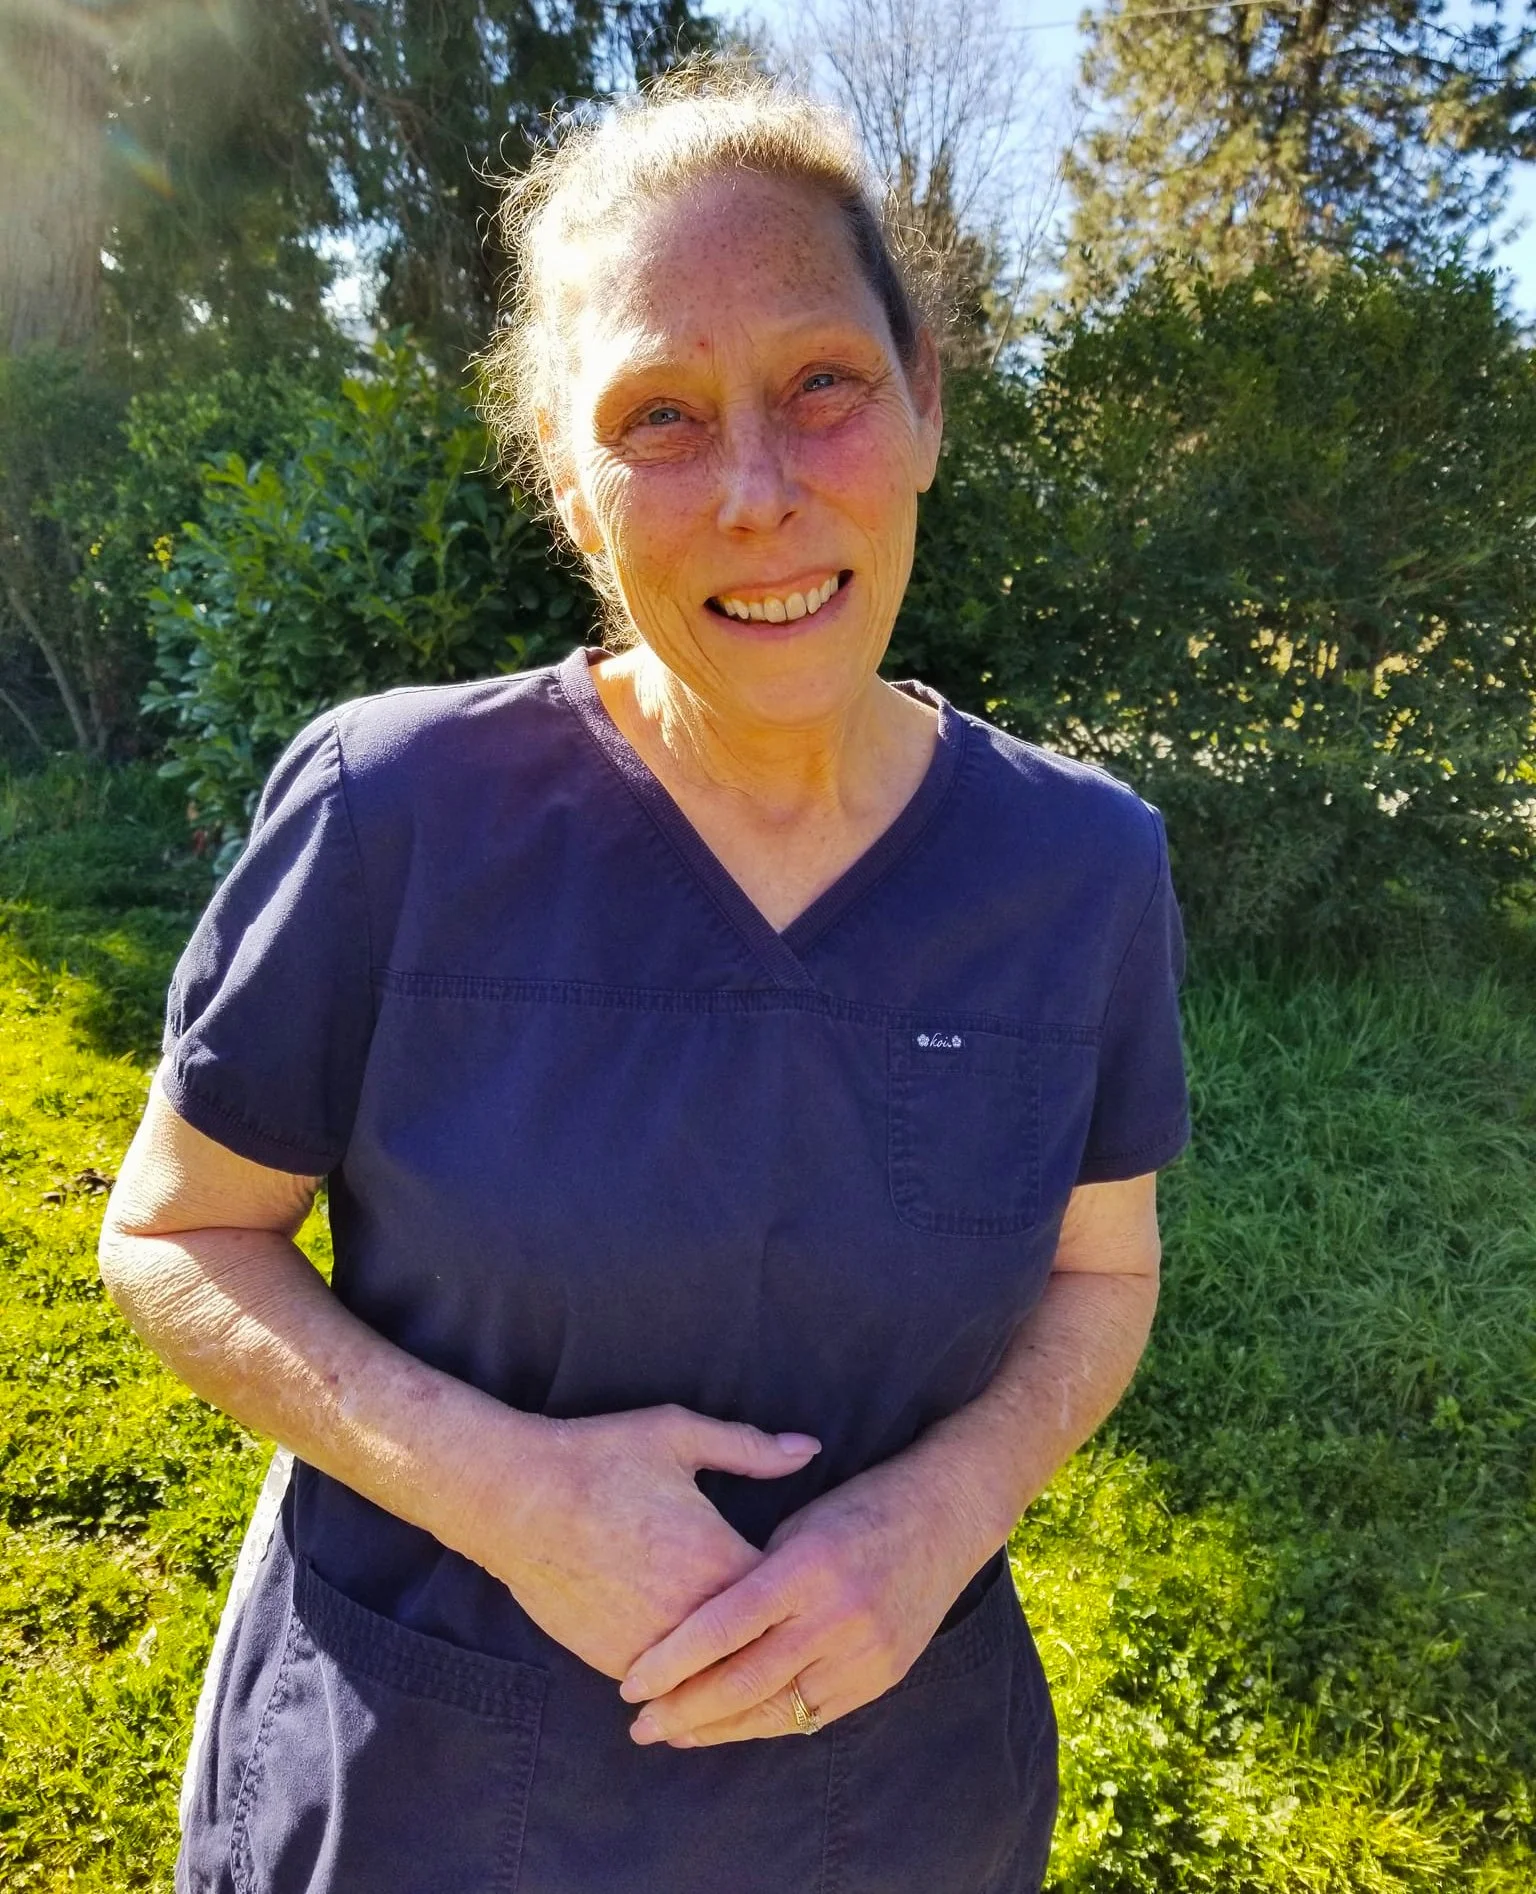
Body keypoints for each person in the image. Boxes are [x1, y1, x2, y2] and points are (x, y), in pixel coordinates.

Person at [99, 60, 1190, 1894]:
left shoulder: (1079, 866)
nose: (757, 490)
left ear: (924, 404)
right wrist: (509, 1492)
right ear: (569, 484)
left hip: (897, 1807)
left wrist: (943, 1509)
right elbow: (173, 1234)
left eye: (821, 385)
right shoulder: (397, 808)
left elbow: (1104, 1267)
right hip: (418, 1800)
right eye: (660, 416)